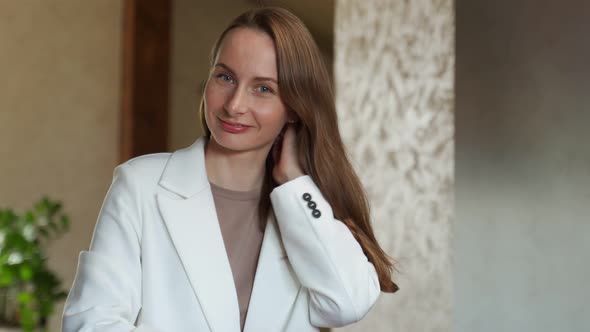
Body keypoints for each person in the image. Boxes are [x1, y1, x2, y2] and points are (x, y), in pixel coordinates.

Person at [62, 6, 398, 332]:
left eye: (263, 88)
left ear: (295, 107)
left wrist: (295, 183)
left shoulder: (307, 205)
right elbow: (90, 322)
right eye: (225, 77)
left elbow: (348, 303)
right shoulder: (139, 184)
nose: (235, 105)